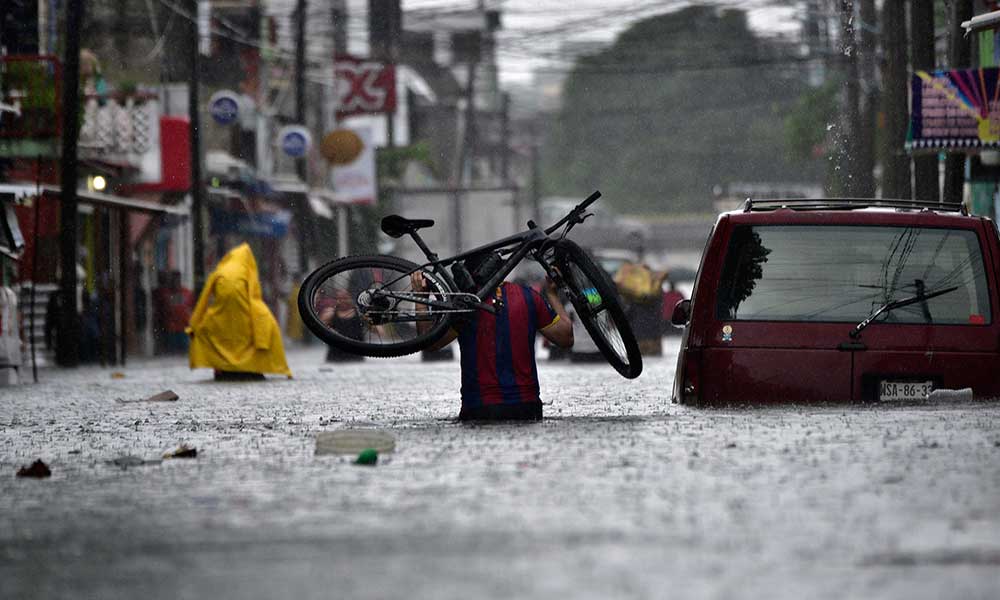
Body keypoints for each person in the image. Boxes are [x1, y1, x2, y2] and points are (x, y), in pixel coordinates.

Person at [411, 251, 574, 421]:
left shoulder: (464, 306)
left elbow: (429, 343)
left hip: (479, 408)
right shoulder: (529, 297)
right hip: (527, 407)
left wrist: (420, 297)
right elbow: (566, 338)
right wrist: (553, 295)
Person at [187, 243, 292, 380]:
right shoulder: (247, 270)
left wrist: (194, 325)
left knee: (204, 332)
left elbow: (203, 299)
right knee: (269, 327)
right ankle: (254, 367)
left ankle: (223, 367)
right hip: (244, 317)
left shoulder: (219, 271)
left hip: (219, 318)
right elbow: (254, 296)